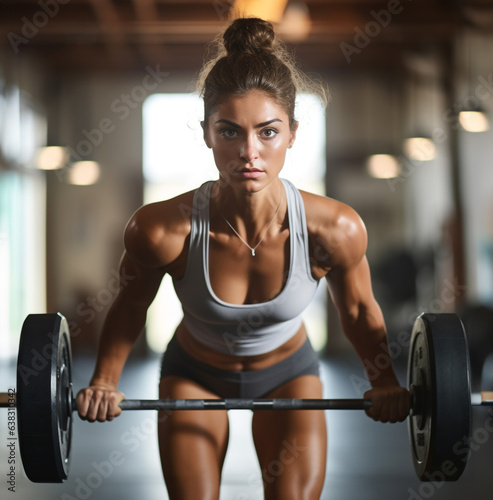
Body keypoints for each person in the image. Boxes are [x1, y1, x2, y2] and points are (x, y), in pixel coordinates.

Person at [77, 17, 410, 500]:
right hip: (194, 373)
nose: (249, 152)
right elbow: (130, 306)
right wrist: (104, 382)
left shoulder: (334, 228)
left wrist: (386, 383)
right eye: (229, 132)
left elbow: (357, 310)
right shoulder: (161, 229)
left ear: (293, 133)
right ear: (207, 133)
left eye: (268, 132)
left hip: (288, 372)